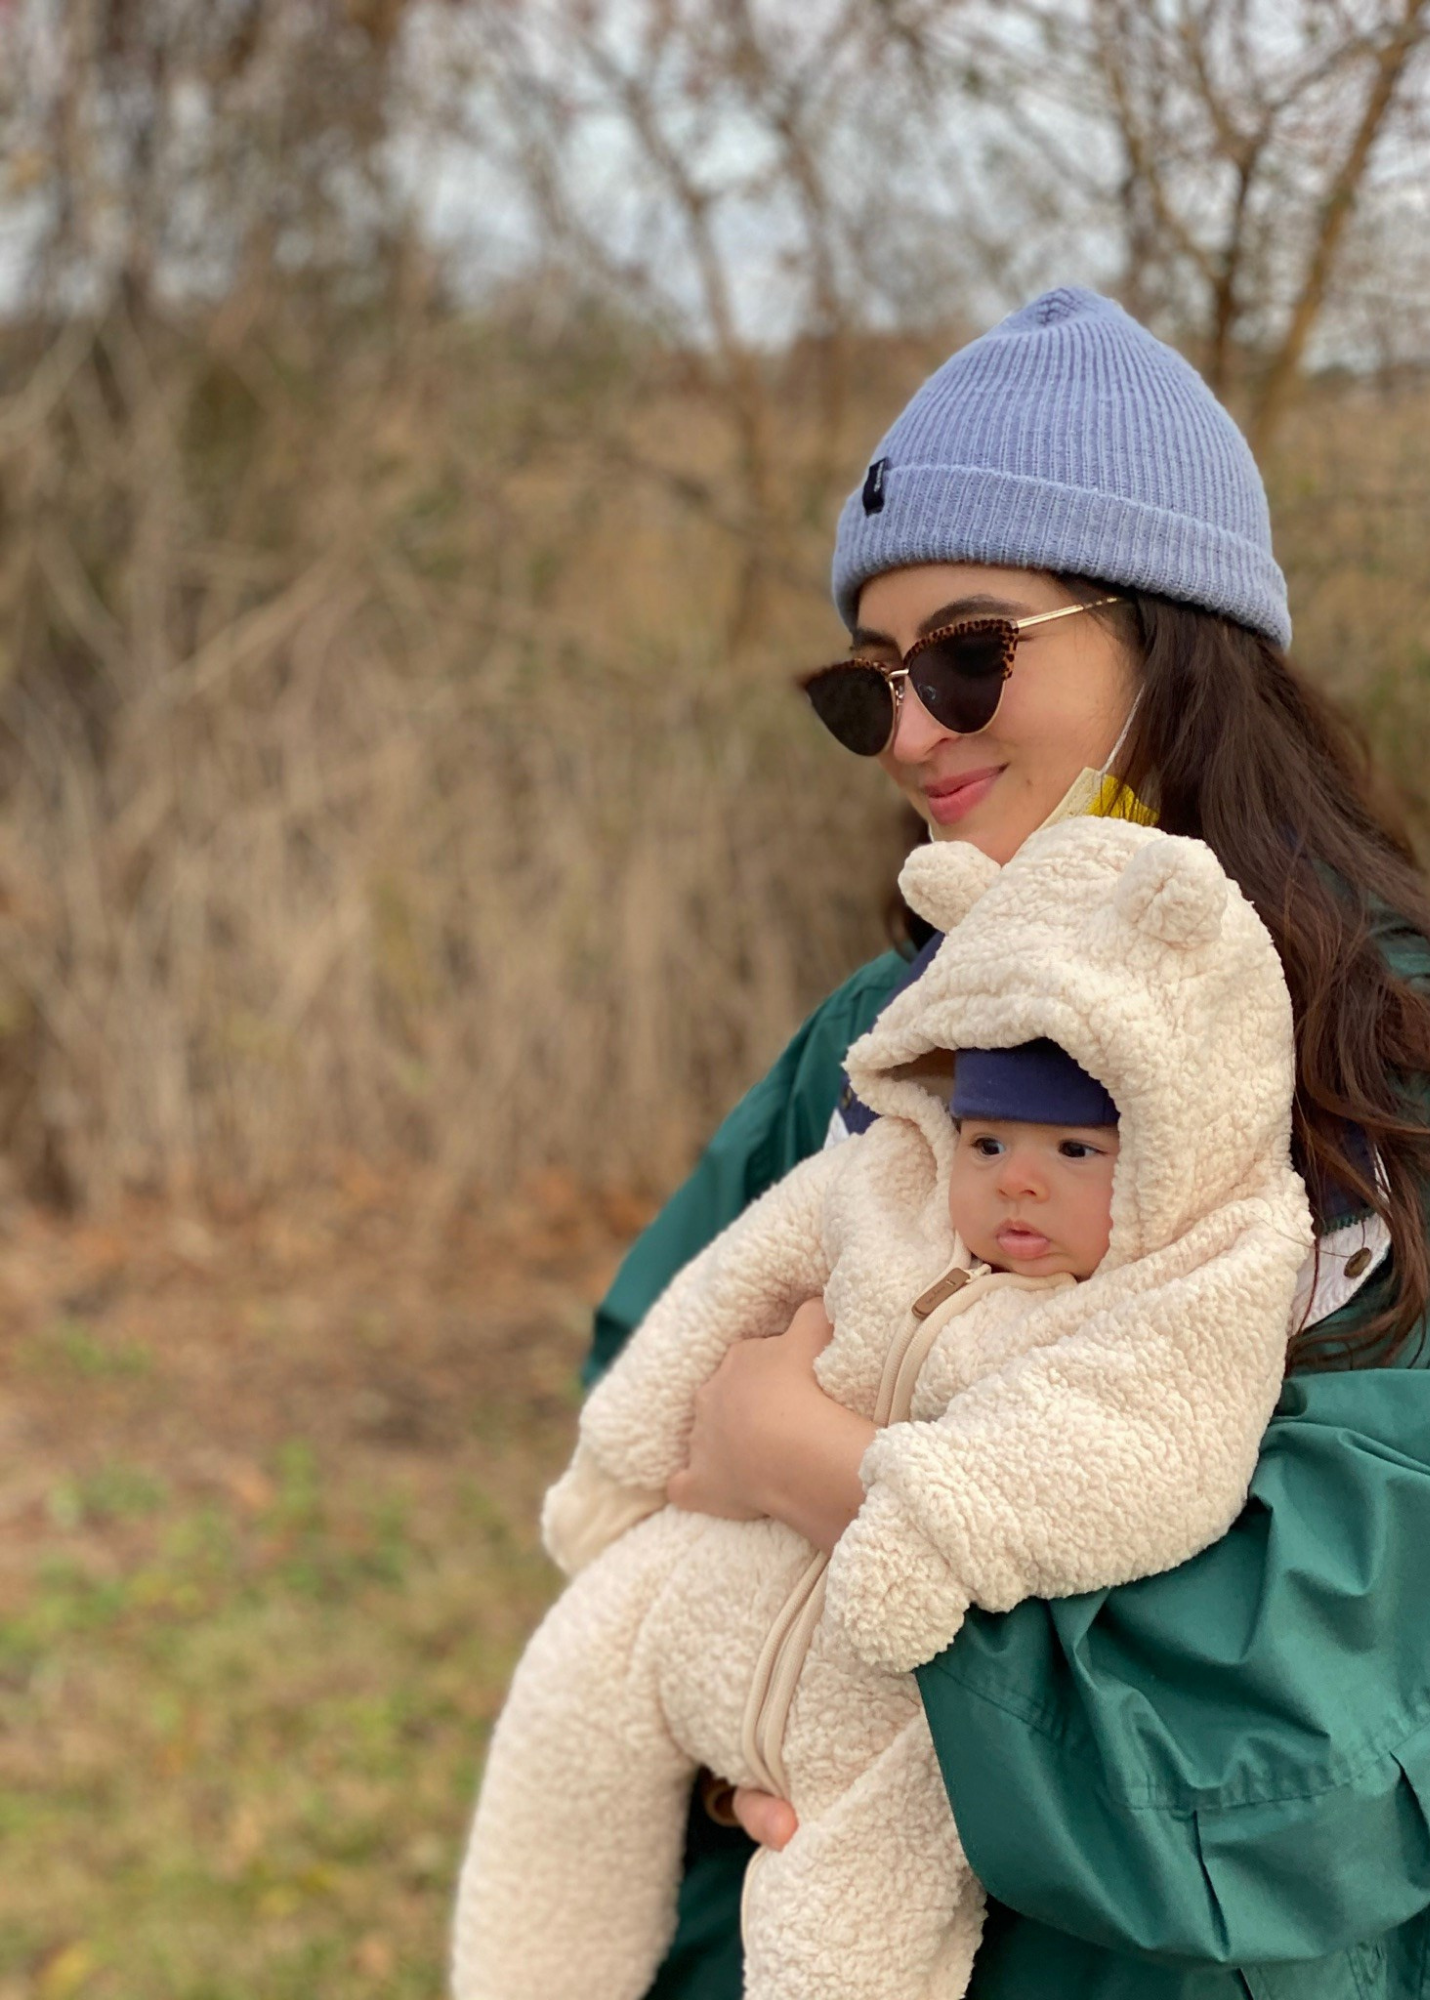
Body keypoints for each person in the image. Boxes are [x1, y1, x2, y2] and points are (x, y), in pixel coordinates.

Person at [584, 288, 1430, 2000]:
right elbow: (643, 1452)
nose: (910, 737)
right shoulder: (876, 1041)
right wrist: (742, 1722)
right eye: (870, 686)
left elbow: (1285, 1720)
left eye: (969, 655)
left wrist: (802, 1460)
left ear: (1170, 634)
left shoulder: (1382, 1064)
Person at [454, 818, 1311, 2000]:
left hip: (900, 1707)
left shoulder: (1169, 1299)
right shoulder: (880, 1186)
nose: (1016, 1178)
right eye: (987, 1138)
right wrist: (625, 1456)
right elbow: (723, 1286)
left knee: (844, 1931)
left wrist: (925, 1523)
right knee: (569, 1691)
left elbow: (1136, 1450)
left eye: (1073, 1146)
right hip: (719, 1585)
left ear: (1171, 1144)